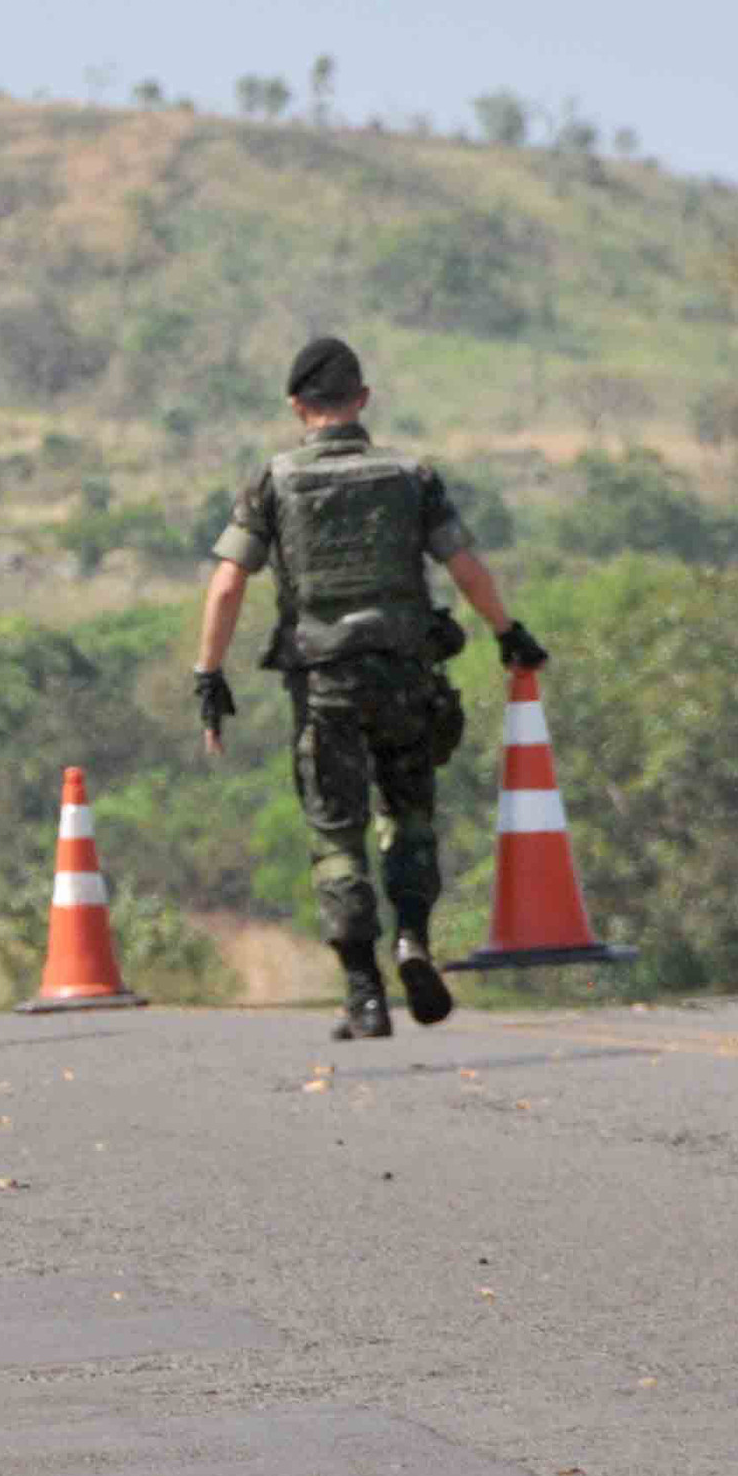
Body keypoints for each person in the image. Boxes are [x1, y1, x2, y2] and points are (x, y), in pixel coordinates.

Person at [193, 336, 547, 1040]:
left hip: (325, 683)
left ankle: (362, 994)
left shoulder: (275, 479)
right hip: (406, 675)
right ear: (361, 400)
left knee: (335, 835)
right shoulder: (410, 475)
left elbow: (229, 580)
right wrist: (508, 632)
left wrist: (209, 673)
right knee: (409, 817)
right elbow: (464, 565)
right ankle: (413, 939)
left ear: (297, 407)